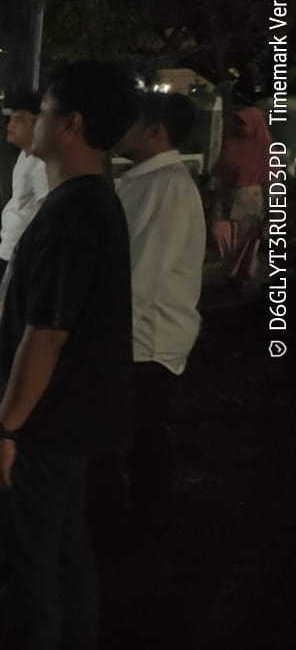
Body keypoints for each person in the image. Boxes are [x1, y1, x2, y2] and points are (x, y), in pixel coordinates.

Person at [0, 60, 140, 650]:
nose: (32, 121)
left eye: (42, 111)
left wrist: (4, 428)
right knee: (67, 552)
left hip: (41, 426)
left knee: (26, 564)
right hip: (73, 421)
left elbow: (46, 335)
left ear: (71, 123)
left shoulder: (72, 213)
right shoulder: (97, 203)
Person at [114, 91, 205, 525]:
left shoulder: (166, 186)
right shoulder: (147, 181)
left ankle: (148, 528)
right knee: (140, 435)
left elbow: (140, 278)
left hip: (146, 338)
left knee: (143, 436)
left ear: (156, 131)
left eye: (131, 121)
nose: (121, 129)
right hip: (139, 333)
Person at [0, 90, 49, 316]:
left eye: (19, 120)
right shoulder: (25, 157)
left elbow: (48, 211)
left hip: (18, 258)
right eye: (11, 118)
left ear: (37, 123)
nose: (11, 125)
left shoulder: (42, 165)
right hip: (8, 251)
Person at [211, 105, 271, 283]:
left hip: (252, 204)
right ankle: (231, 271)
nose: (239, 127)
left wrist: (271, 210)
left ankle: (242, 274)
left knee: (247, 241)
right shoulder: (231, 145)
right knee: (226, 238)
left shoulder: (265, 148)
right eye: (237, 123)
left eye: (243, 123)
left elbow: (270, 182)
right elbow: (221, 173)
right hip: (228, 201)